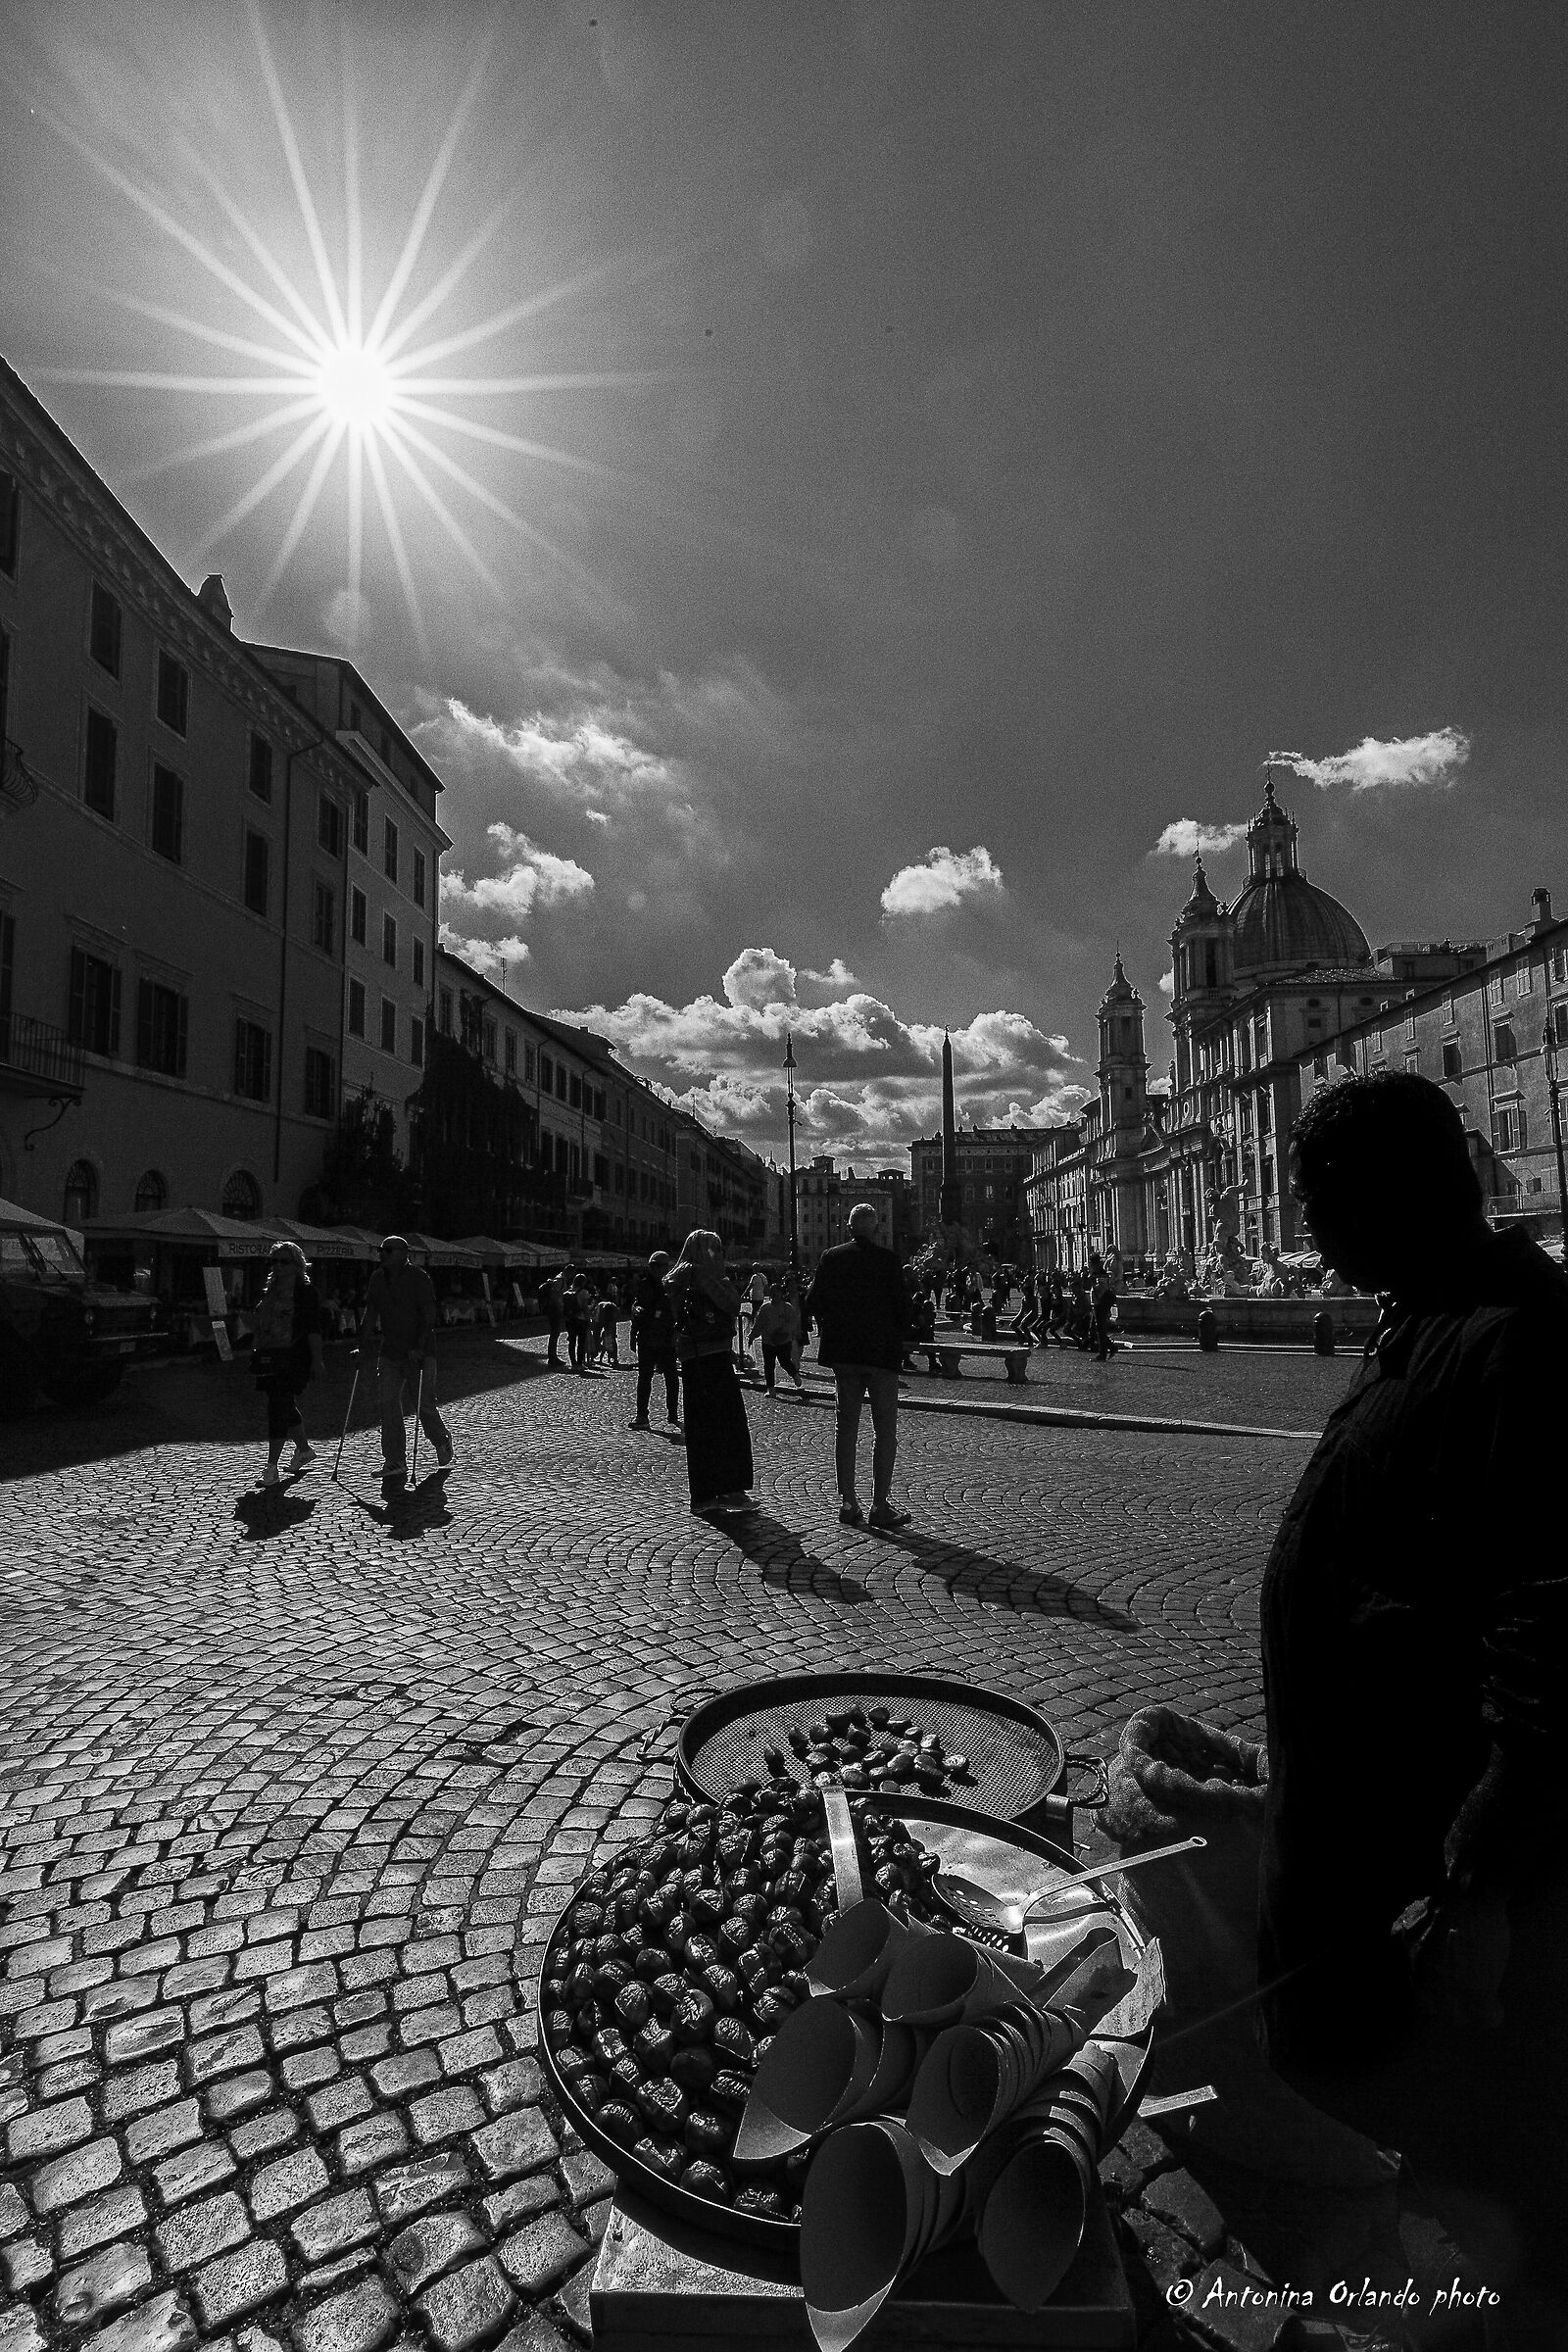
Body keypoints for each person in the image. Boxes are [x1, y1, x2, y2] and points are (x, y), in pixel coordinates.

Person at [1257, 1072, 1568, 2343]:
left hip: (1437, 1863)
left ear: (1383, 1193)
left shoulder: (1519, 1338)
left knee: (1475, 2141)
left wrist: (1482, 1882)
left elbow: (1553, 1618)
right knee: (1390, 2099)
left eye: (1318, 1201)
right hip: (1369, 1828)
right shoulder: (1431, 1313)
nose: (1311, 1229)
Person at [808, 1201, 909, 1528]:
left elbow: (813, 1303)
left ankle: (849, 1502)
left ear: (849, 1228)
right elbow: (904, 1310)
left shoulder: (831, 1258)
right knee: (885, 1432)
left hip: (845, 1356)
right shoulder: (890, 1262)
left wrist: (836, 1324)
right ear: (876, 1228)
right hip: (880, 1355)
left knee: (846, 1429)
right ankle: (880, 1505)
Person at [665, 1232, 756, 1514]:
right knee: (724, 1425)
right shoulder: (701, 1275)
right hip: (708, 1356)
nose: (720, 1253)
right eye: (714, 1248)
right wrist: (719, 1277)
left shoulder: (679, 1277)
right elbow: (730, 1304)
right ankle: (724, 1491)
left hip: (698, 1356)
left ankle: (712, 1492)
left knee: (707, 1425)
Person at [358, 1234, 453, 1497]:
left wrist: (420, 1346)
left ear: (402, 1253)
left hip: (419, 1353)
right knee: (387, 1403)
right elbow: (371, 1312)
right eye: (380, 1250)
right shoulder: (378, 1278)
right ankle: (395, 1460)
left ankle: (442, 1440)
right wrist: (363, 1343)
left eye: (386, 1250)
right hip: (390, 1351)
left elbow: (428, 1315)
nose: (381, 1254)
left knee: (423, 1405)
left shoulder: (419, 1278)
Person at [252, 1241, 325, 1488]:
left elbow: (314, 1328)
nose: (279, 1266)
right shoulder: (269, 1290)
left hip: (294, 1356)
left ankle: (271, 1466)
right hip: (268, 1355)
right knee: (283, 1402)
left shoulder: (305, 1292)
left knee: (278, 1405)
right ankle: (303, 1449)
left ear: (297, 1265)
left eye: (284, 1261)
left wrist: (317, 1360)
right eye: (275, 1261)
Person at [629, 1251, 680, 1428]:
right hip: (647, 1336)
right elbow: (636, 1303)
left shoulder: (672, 1286)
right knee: (644, 1377)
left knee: (671, 1376)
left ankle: (673, 1413)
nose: (657, 1269)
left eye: (661, 1266)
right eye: (654, 1266)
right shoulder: (644, 1284)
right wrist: (635, 1312)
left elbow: (679, 1310)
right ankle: (642, 1415)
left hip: (666, 1337)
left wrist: (677, 1332)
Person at [755, 1278, 806, 1397]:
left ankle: (794, 1374)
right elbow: (759, 1323)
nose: (774, 1295)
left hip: (783, 1340)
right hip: (767, 1341)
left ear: (781, 1294)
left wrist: (784, 1332)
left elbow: (792, 1322)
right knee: (769, 1365)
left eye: (777, 1292)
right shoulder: (765, 1308)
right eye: (772, 1292)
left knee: (784, 1361)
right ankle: (771, 1388)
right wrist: (752, 1335)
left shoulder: (787, 1307)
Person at [1088, 1251, 1118, 1359]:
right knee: (1094, 1329)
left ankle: (1102, 1354)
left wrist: (1092, 1283)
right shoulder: (1097, 1273)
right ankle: (1110, 1346)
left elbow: (1101, 1290)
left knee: (1099, 1328)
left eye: (1090, 1264)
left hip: (1100, 1304)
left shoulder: (1101, 1274)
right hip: (1096, 1304)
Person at [543, 1267, 565, 1367]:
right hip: (555, 1310)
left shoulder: (559, 1279)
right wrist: (559, 1306)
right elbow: (554, 1297)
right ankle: (552, 1357)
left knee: (555, 1334)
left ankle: (553, 1356)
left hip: (555, 1309)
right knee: (555, 1333)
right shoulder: (559, 1280)